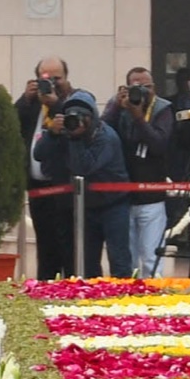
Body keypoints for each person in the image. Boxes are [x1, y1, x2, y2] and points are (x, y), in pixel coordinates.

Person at [27, 86, 125, 278]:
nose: (77, 121)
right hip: (85, 206)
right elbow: (38, 155)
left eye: (83, 115)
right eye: (72, 115)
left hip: (113, 204)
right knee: (86, 264)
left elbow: (84, 167)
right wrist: (53, 134)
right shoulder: (65, 132)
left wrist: (74, 139)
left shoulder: (105, 136)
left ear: (93, 117)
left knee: (119, 260)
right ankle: (90, 300)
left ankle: (123, 300)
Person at [104, 66, 184, 278]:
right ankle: (129, 299)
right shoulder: (120, 108)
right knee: (127, 257)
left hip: (152, 195)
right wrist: (115, 106)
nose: (140, 92)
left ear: (154, 88)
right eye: (135, 87)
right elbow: (102, 133)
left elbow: (159, 143)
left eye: (145, 87)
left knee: (151, 257)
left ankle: (153, 298)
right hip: (123, 195)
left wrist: (138, 117)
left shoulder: (163, 109)